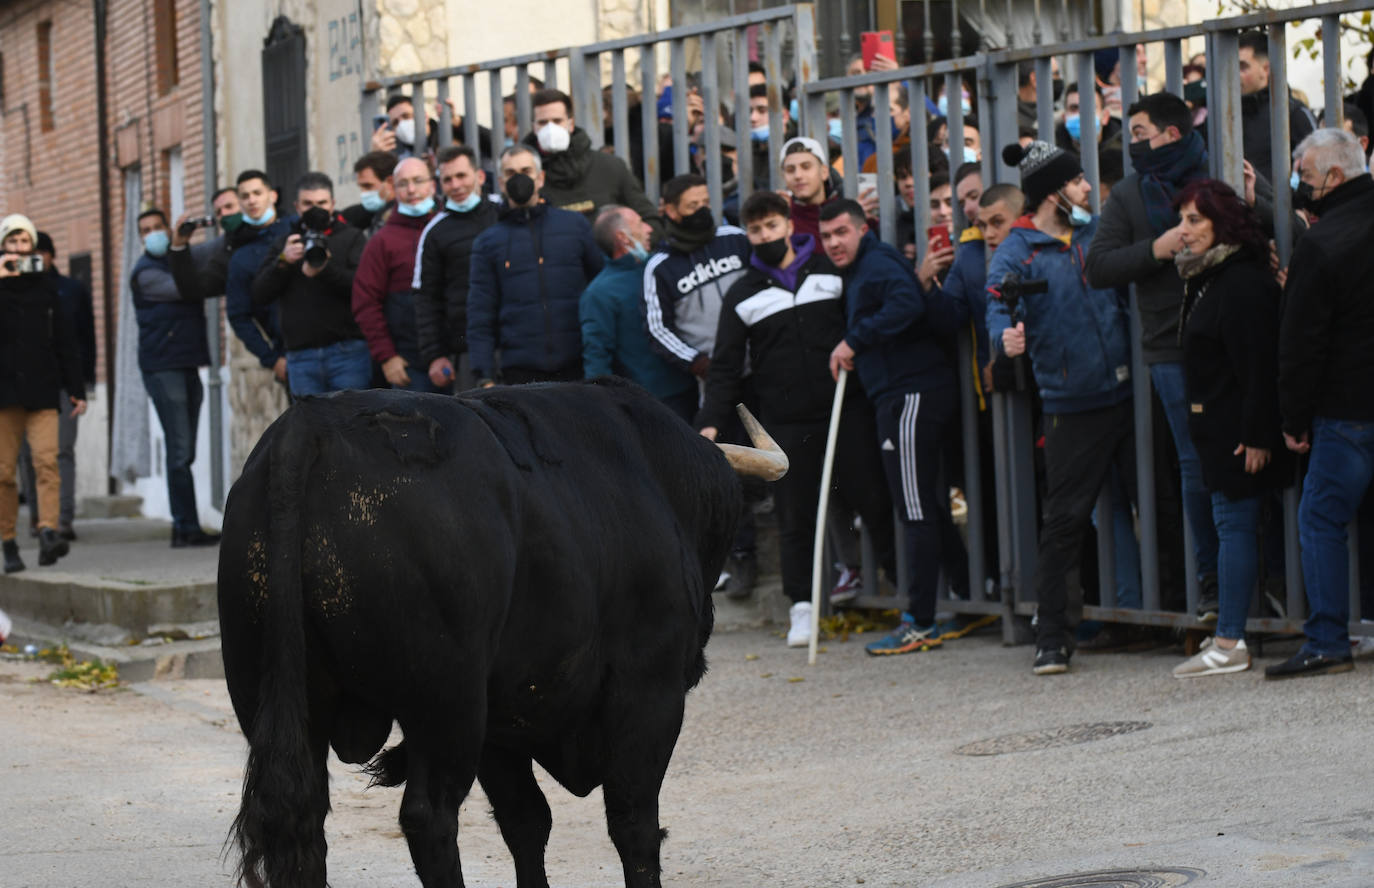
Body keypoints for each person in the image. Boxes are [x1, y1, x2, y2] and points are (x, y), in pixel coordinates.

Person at [699, 192, 895, 646]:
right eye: (755, 230)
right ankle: (802, 607)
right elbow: (725, 366)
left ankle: (903, 591)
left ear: (789, 224)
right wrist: (709, 423)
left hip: (846, 409)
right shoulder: (743, 293)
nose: (764, 236)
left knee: (873, 500)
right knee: (795, 516)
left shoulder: (830, 271)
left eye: (771, 226)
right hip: (785, 423)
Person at [986, 141, 1134, 675]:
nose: (1088, 188)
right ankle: (1052, 638)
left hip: (1130, 395)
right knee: (1066, 522)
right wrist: (1004, 337)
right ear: (1053, 194)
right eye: (1076, 181)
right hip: (1071, 405)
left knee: (1158, 503)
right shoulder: (1016, 250)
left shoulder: (1097, 232)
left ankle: (1164, 618)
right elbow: (996, 304)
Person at [1084, 92, 1220, 622]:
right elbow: (1098, 266)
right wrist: (1156, 250)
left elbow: (1276, 223)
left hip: (1231, 337)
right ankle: (1211, 580)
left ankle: (1263, 578)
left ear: (1172, 133)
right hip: (1168, 345)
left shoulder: (1217, 172)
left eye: (1140, 134)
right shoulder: (1129, 193)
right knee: (1194, 463)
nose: (1132, 145)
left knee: (1247, 453)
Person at [822, 199, 970, 656]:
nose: (833, 243)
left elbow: (907, 302)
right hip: (906, 394)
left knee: (915, 510)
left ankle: (920, 621)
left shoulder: (878, 263)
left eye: (841, 232)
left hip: (909, 396)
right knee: (925, 505)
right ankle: (967, 595)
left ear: (862, 229)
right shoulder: (866, 267)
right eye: (826, 236)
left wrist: (853, 340)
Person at [1167, 179, 1288, 678]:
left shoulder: (1239, 283)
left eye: (1194, 220)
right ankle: (1231, 637)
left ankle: (1230, 641)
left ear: (1224, 224)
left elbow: (1259, 365)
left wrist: (1258, 435)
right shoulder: (1210, 276)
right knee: (1233, 526)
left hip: (1238, 434)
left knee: (1234, 527)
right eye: (1181, 219)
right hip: (1221, 429)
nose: (1183, 230)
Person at [1273, 128, 1374, 679]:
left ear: (1333, 177)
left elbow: (1301, 342)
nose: (1300, 186)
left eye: (1305, 176)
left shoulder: (1323, 241)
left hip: (1347, 408)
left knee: (1320, 518)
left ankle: (1328, 640)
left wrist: (1293, 418)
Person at [467, 145, 603, 385]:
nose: (519, 179)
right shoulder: (488, 243)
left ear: (540, 178)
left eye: (526, 171)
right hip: (520, 371)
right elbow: (481, 312)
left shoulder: (575, 226)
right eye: (510, 173)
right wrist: (484, 376)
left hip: (579, 364)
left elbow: (601, 285)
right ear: (501, 183)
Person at [0, 215, 87, 572]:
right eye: (13, 242)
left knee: (47, 463)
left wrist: (77, 388)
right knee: (4, 472)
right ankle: (8, 540)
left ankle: (48, 530)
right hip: (4, 393)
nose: (19, 249)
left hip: (43, 389)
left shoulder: (48, 289)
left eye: (25, 242)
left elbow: (66, 340)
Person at [128, 209, 219, 548]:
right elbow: (186, 288)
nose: (152, 233)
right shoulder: (145, 273)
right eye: (145, 230)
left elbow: (210, 253)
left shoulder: (177, 258)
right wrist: (182, 248)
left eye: (157, 227)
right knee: (179, 451)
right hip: (162, 367)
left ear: (168, 229)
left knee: (186, 450)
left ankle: (184, 525)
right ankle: (185, 527)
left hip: (187, 362)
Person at [250, 171, 369, 396]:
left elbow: (362, 289)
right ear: (297, 207)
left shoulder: (352, 238)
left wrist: (325, 269)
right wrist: (283, 262)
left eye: (322, 203)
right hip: (301, 357)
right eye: (308, 204)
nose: (316, 209)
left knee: (351, 417)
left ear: (332, 204)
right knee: (309, 420)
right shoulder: (286, 242)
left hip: (348, 353)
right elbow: (259, 294)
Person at [581, 205, 696, 419]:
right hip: (648, 404)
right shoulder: (600, 294)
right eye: (640, 223)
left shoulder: (661, 269)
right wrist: (603, 412)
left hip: (690, 386)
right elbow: (597, 357)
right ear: (623, 238)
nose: (649, 229)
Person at [17, 231, 95, 541]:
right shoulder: (10, 288)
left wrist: (83, 382)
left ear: (51, 255)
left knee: (61, 451)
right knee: (28, 455)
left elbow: (84, 338)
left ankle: (63, 519)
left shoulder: (70, 290)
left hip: (63, 384)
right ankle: (38, 517)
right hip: (23, 386)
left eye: (40, 251)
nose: (34, 257)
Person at [642, 174, 751, 384]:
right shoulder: (660, 267)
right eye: (693, 205)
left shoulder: (735, 238)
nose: (702, 210)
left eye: (706, 203)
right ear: (671, 211)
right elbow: (658, 329)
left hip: (763, 364)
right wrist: (698, 363)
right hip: (717, 379)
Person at [413, 145, 499, 392]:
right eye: (447, 179)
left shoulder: (503, 213)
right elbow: (426, 299)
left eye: (461, 176)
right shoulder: (434, 232)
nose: (456, 185)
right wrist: (434, 355)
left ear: (479, 176)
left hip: (516, 345)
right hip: (466, 352)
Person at [352, 156, 440, 392]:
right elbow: (365, 302)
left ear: (432, 185)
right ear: (393, 188)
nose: (411, 190)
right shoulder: (381, 242)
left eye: (418, 181)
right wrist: (387, 357)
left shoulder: (449, 228)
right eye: (403, 183)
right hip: (410, 366)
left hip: (455, 361)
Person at [521, 88, 660, 233]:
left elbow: (649, 220)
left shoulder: (610, 167)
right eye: (543, 123)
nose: (551, 129)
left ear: (570, 124)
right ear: (534, 127)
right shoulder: (524, 175)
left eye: (557, 121)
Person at [225, 170, 290, 385]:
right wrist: (271, 359)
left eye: (257, 193)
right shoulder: (240, 255)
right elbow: (238, 315)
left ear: (273, 195)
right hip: (288, 355)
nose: (251, 200)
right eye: (245, 196)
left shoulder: (296, 229)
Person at [1238, 30, 1315, 179]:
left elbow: (1317, 168)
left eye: (1243, 67)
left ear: (1265, 69)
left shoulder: (1293, 113)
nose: (1235, 73)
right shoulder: (1224, 114)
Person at [342, 151, 398, 237]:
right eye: (361, 187)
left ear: (390, 182)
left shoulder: (403, 217)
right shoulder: (369, 213)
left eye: (368, 186)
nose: (363, 193)